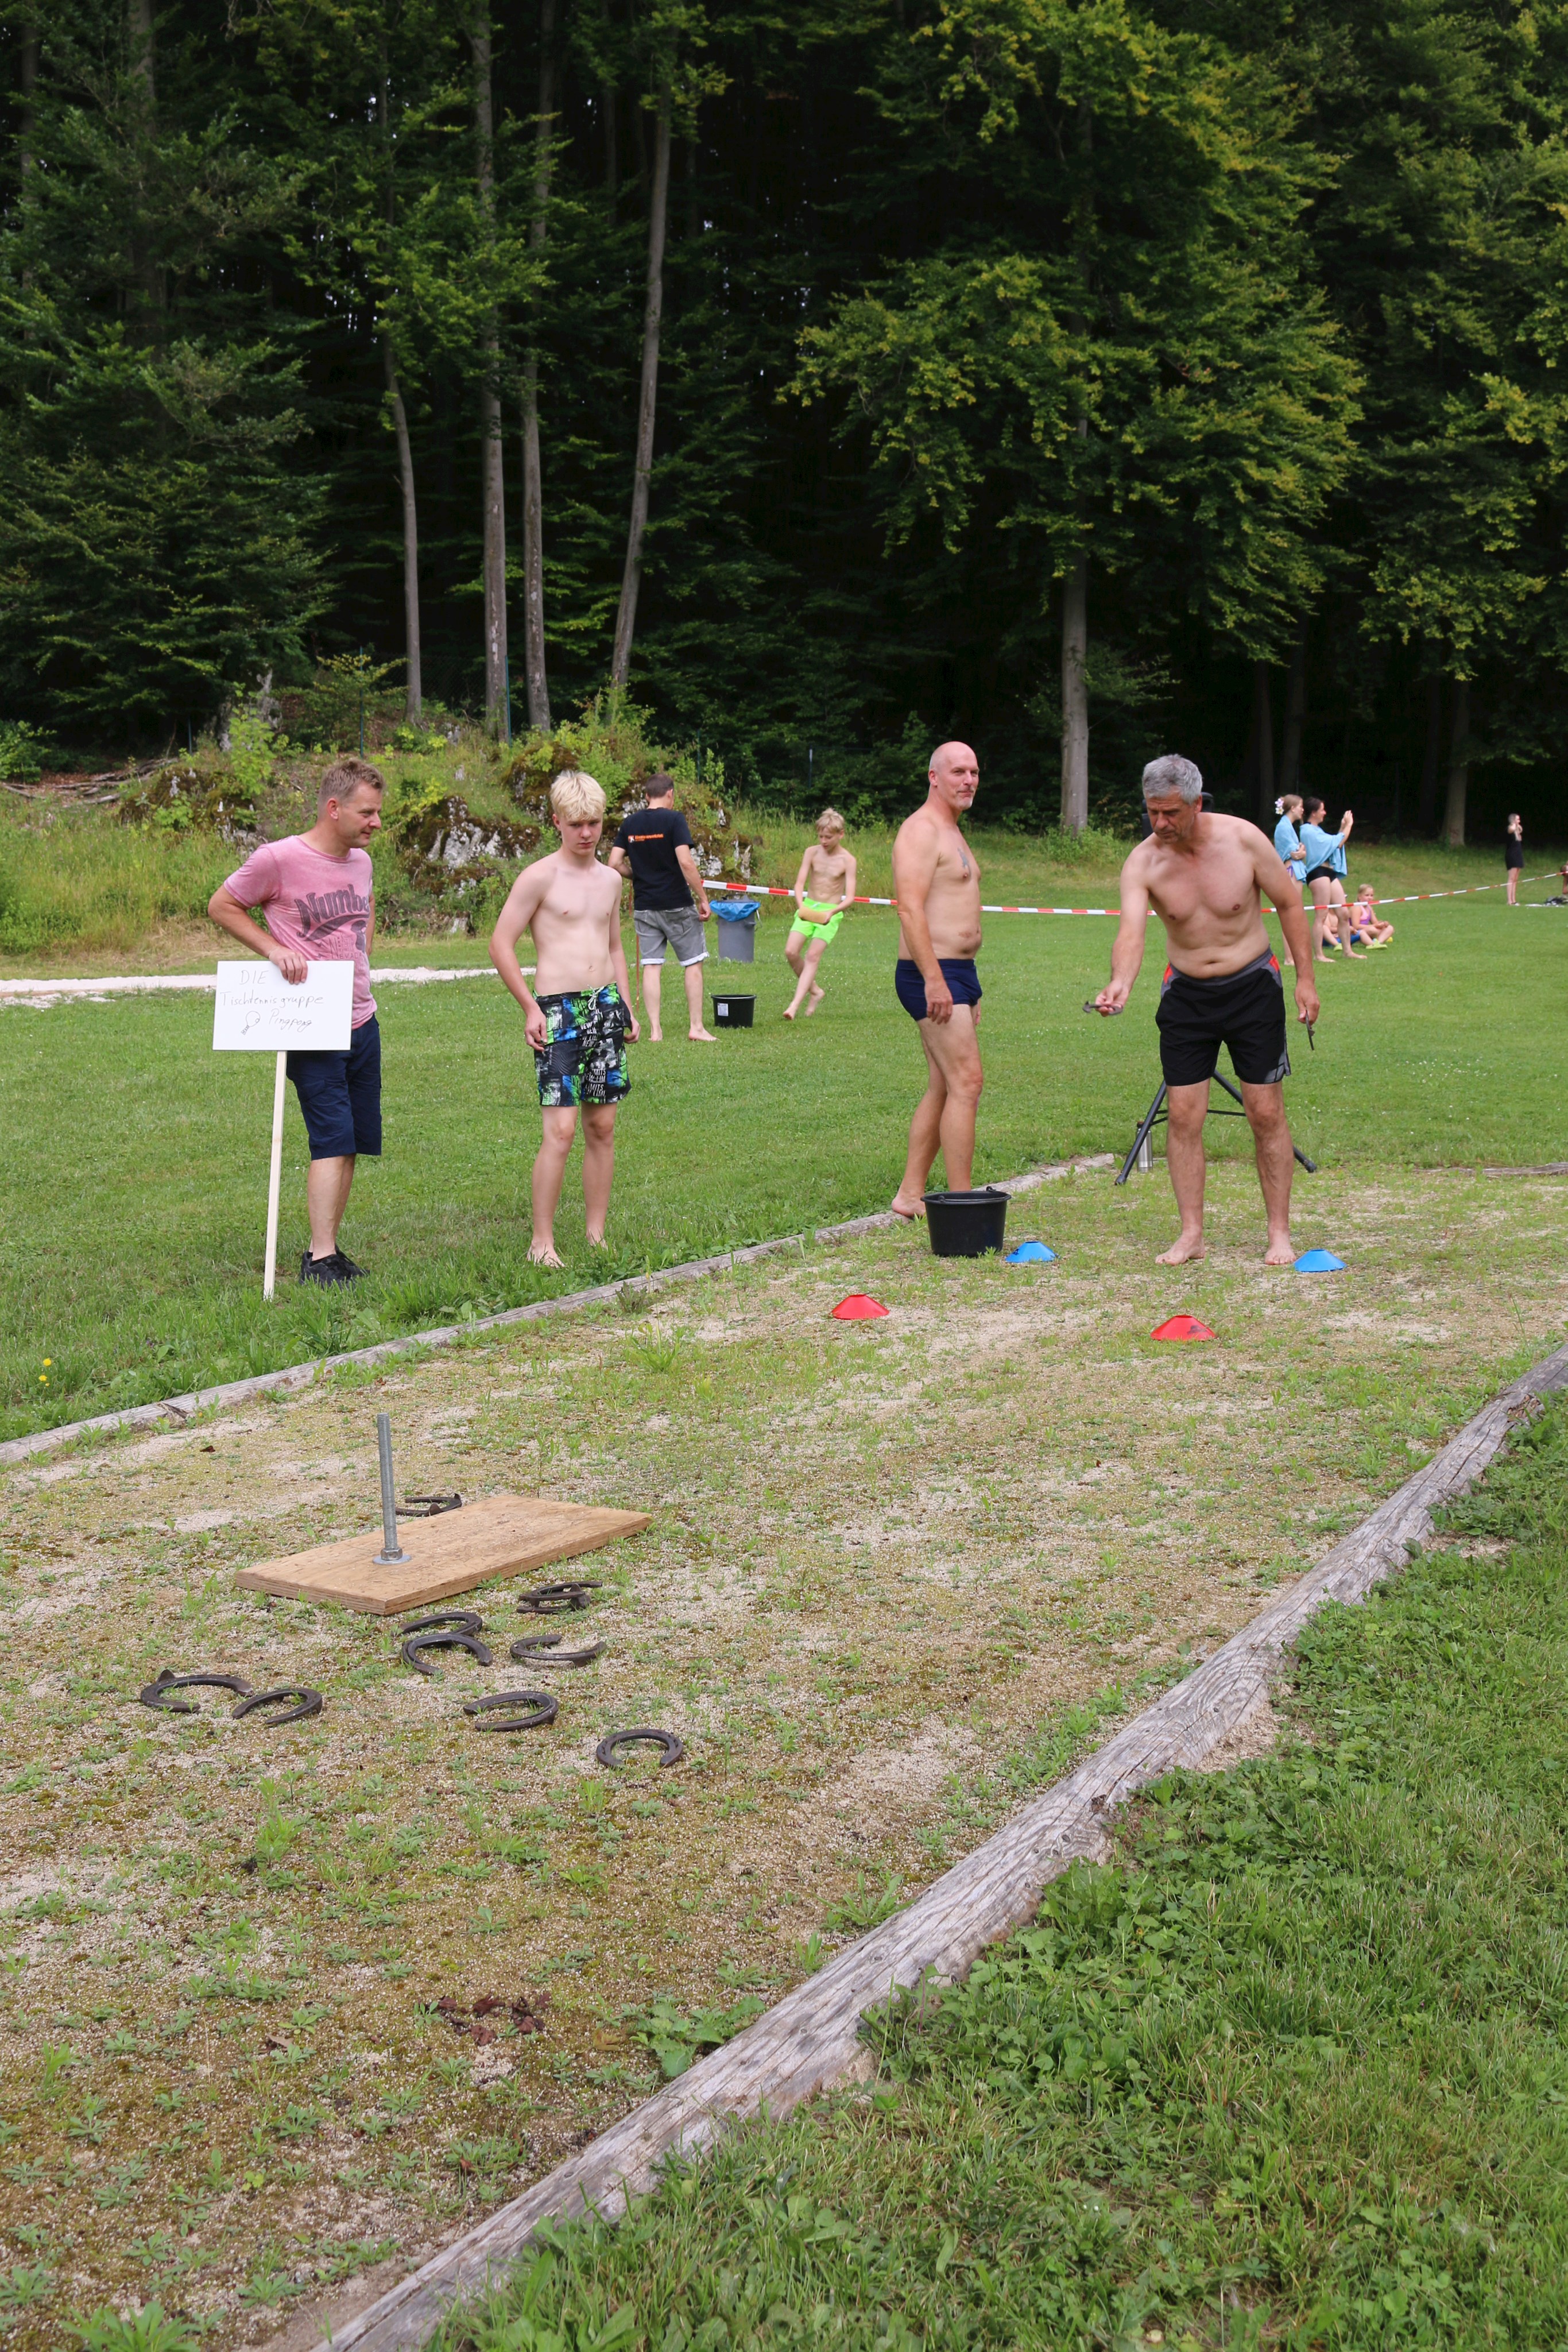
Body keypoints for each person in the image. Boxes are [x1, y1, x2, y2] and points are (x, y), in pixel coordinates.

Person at [1092, 753, 1318, 1266]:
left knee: (1264, 1112)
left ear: (1197, 803)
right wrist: (1119, 983)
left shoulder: (1243, 841)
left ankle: (1279, 1233)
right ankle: (1191, 1233)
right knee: (1184, 1116)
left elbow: (1288, 902)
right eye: (1151, 812)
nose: (1160, 824)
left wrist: (1305, 979)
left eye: (1170, 813)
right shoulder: (1143, 861)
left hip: (1253, 986)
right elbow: (1131, 931)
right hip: (1186, 995)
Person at [209, 754, 385, 1288]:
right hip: (311, 1022)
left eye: (378, 813)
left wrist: (363, 955)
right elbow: (223, 905)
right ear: (334, 809)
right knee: (331, 1136)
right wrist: (272, 949)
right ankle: (320, 1261)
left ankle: (325, 1248)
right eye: (367, 813)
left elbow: (367, 909)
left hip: (362, 1017)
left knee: (352, 1137)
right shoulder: (277, 858)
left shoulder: (361, 862)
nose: (376, 823)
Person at [490, 769, 640, 1268]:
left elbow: (614, 944)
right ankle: (542, 1242)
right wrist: (529, 1007)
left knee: (603, 1128)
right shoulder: (539, 877)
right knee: (560, 1132)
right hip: (558, 1012)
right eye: (576, 823)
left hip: (604, 1008)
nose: (586, 833)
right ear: (556, 821)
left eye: (594, 823)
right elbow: (501, 944)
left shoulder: (611, 880)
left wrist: (625, 1005)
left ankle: (596, 1235)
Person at [889, 742, 984, 1219]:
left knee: (945, 1085)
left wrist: (970, 987)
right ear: (933, 776)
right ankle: (963, 1205)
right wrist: (935, 980)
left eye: (973, 772)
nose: (967, 780)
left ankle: (910, 1195)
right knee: (967, 1081)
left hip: (957, 974)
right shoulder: (920, 831)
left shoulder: (952, 830)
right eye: (957, 772)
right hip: (932, 974)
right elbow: (909, 907)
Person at [607, 773, 714, 1043]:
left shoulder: (629, 823)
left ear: (646, 796)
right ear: (671, 794)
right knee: (692, 963)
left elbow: (614, 864)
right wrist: (702, 897)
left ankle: (655, 1031)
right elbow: (686, 863)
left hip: (645, 907)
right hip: (677, 904)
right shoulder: (675, 819)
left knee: (651, 966)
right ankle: (696, 1028)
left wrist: (636, 875)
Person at [784, 808, 857, 1019]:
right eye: (821, 836)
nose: (824, 840)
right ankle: (815, 991)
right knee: (791, 952)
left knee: (813, 956)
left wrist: (832, 912)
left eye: (829, 837)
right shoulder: (811, 852)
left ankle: (794, 1006)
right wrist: (801, 906)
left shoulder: (848, 861)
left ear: (841, 834)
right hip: (808, 906)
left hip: (830, 913)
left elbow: (850, 897)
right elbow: (799, 884)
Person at [1298, 796, 1361, 960]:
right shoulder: (1307, 830)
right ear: (1314, 813)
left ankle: (1348, 951)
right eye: (1322, 810)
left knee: (1343, 913)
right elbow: (1337, 842)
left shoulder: (1318, 830)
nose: (1325, 813)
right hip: (1317, 874)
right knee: (1322, 915)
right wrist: (1349, 826)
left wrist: (1342, 827)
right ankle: (1319, 955)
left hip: (1329, 873)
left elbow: (1333, 843)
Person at [1271, 793, 1307, 967]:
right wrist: (1301, 851)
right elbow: (1295, 852)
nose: (1302, 810)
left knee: (1294, 914)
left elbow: (1300, 851)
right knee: (1291, 914)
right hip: (1291, 870)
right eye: (1300, 806)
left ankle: (1292, 955)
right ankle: (1289, 958)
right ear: (1293, 808)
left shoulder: (1289, 826)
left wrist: (1302, 851)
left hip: (1294, 869)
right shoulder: (1284, 827)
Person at [1348, 884, 1393, 949]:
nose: (1370, 898)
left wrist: (1383, 924)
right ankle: (1374, 941)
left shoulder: (1369, 908)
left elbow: (1375, 923)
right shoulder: (1357, 907)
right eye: (1367, 895)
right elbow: (1356, 926)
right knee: (1373, 930)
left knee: (1390, 928)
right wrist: (1374, 926)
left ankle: (1378, 942)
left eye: (1372, 896)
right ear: (1360, 897)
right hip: (1356, 933)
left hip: (1368, 930)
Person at [1505, 813, 1524, 905]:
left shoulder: (1517, 831)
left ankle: (1514, 900)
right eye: (1518, 819)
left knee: (1516, 879)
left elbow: (1520, 830)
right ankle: (1509, 901)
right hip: (1512, 855)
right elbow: (1511, 830)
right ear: (1513, 821)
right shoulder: (1510, 829)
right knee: (1511, 878)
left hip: (1518, 854)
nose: (1519, 821)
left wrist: (1518, 826)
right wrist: (1514, 824)